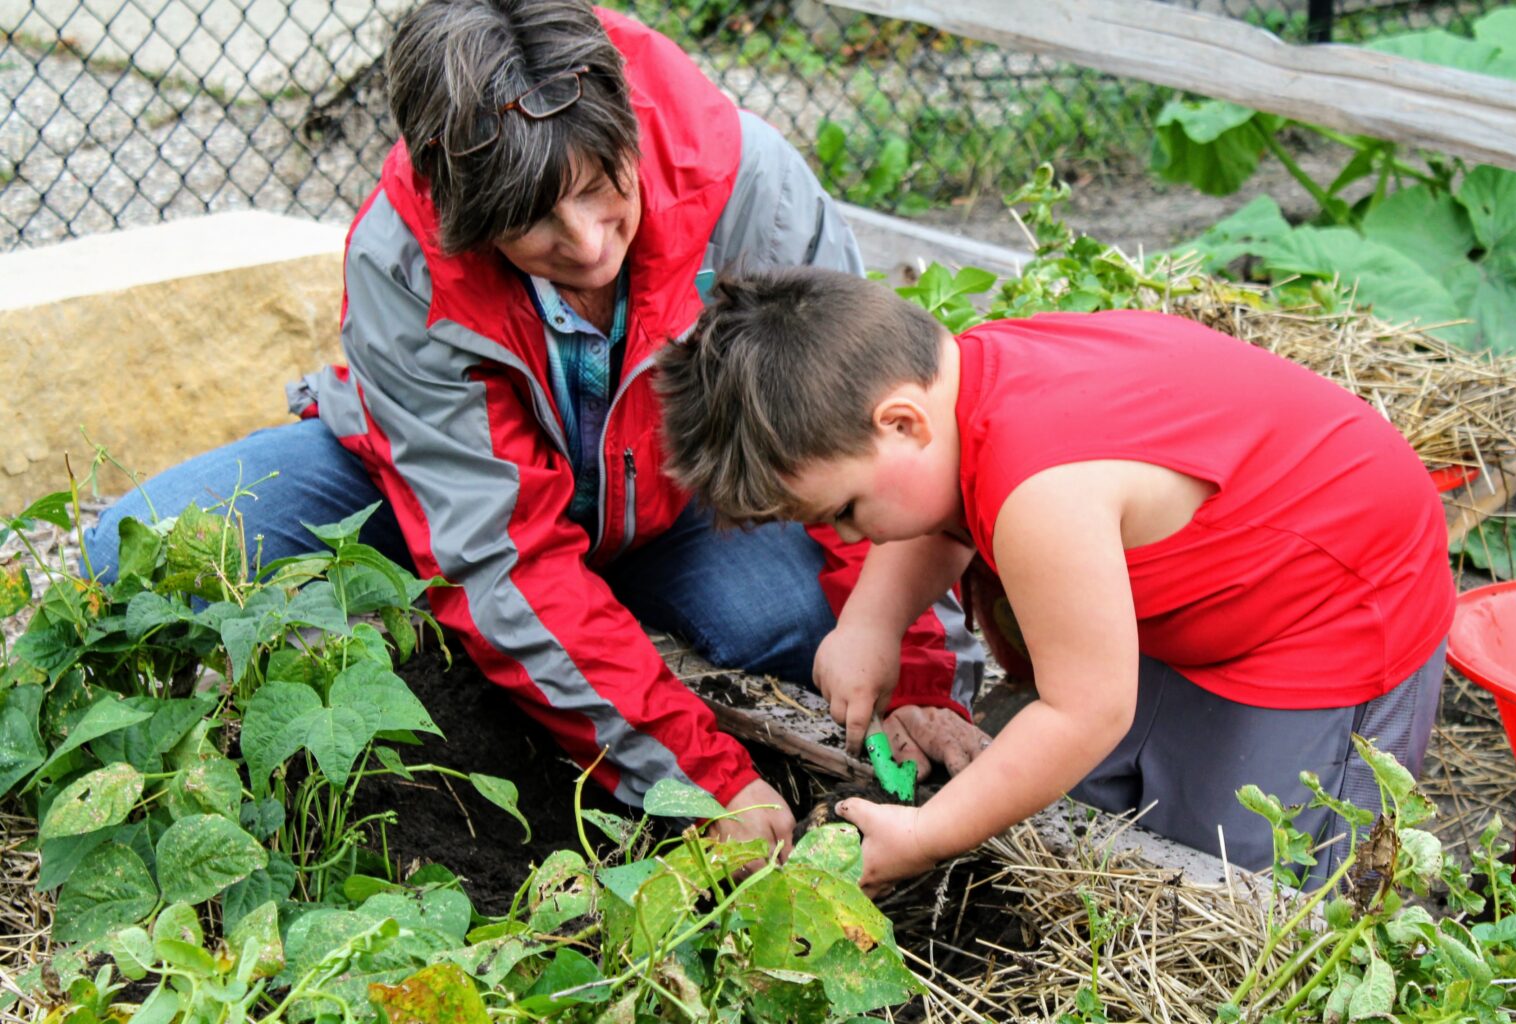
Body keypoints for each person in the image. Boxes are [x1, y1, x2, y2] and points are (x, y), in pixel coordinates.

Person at [82, 0, 986, 853]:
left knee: (795, 623)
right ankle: (566, 652)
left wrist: (916, 678)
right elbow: (503, 554)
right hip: (427, 492)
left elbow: (861, 435)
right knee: (137, 555)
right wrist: (703, 778)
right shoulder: (404, 260)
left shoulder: (741, 179)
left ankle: (582, 647)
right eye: (532, 223)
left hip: (676, 506)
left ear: (624, 121)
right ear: (461, 211)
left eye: (602, 189)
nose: (590, 245)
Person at [655, 267, 1454, 892]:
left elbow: (1088, 710)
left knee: (1249, 863)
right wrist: (870, 619)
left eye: (848, 511)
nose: (850, 537)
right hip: (1220, 569)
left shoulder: (1042, 493)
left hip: (1333, 605)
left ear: (902, 422)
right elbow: (937, 499)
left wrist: (929, 834)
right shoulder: (957, 383)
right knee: (1100, 803)